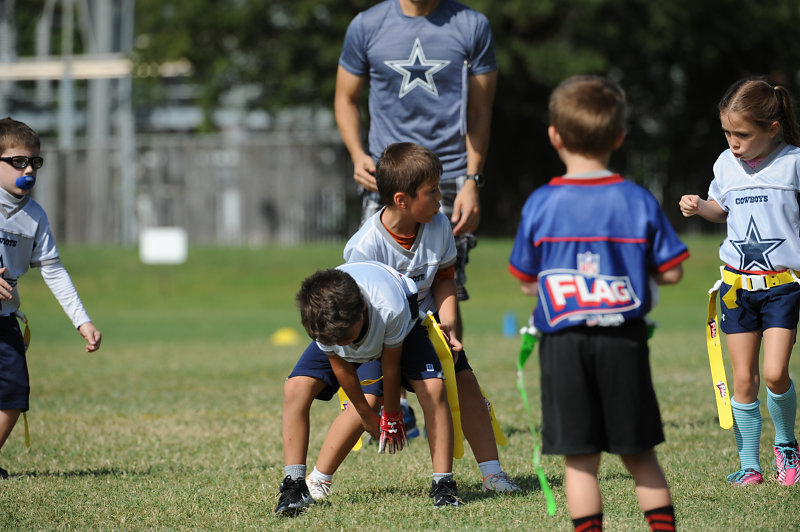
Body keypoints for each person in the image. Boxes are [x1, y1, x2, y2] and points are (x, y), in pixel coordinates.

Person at [509, 76, 688, 532]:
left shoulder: (541, 203)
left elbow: (527, 281)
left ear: (555, 136)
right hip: (623, 341)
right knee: (640, 455)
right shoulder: (637, 199)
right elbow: (672, 271)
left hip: (563, 345)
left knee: (580, 461)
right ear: (619, 137)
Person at [304, 142, 519, 502]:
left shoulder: (438, 225)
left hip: (422, 326)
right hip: (379, 333)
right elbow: (356, 310)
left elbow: (445, 277)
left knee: (465, 384)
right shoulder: (364, 246)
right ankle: (318, 480)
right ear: (402, 200)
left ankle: (492, 474)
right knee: (368, 400)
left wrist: (448, 323)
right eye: (431, 192)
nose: (440, 199)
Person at [335, 0, 497, 340]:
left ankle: (448, 369)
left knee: (446, 285)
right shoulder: (366, 25)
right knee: (372, 286)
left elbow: (481, 110)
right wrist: (357, 154)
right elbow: (345, 98)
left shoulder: (471, 25)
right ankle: (383, 375)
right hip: (385, 176)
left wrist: (472, 180)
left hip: (449, 174)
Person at [679, 77, 800, 487]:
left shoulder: (794, 163)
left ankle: (786, 447)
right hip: (736, 289)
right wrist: (701, 206)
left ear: (773, 128)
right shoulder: (725, 164)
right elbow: (722, 209)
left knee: (774, 373)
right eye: (727, 133)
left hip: (782, 288)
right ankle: (750, 466)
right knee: (744, 378)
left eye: (742, 134)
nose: (733, 142)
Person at [274, 261, 460, 516]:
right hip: (350, 325)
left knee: (434, 388)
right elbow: (342, 367)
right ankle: (294, 486)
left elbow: (390, 367)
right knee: (295, 388)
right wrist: (366, 415)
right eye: (333, 341)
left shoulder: (389, 309)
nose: (341, 345)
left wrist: (391, 414)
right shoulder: (323, 320)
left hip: (402, 330)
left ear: (362, 309)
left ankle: (444, 485)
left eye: (344, 339)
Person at [0, 117, 102, 478]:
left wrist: (82, 320)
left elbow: (53, 270)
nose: (28, 169)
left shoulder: (34, 215)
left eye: (34, 162)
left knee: (15, 393)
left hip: (4, 322)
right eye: (17, 161)